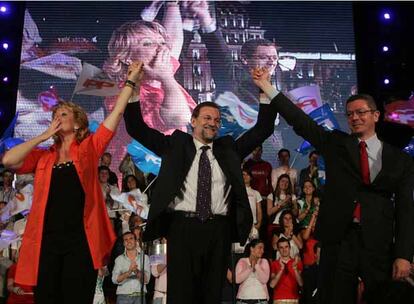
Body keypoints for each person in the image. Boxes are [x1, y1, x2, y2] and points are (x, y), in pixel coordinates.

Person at [252, 67, 414, 304]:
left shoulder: (399, 159)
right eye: (350, 114)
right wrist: (267, 87)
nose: (355, 118)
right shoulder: (336, 144)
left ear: (376, 115)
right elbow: (301, 121)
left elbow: (406, 210)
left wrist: (403, 255)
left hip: (378, 242)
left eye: (361, 112)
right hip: (338, 241)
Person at [123, 77, 279, 304]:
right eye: (207, 118)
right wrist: (134, 90)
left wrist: (264, 91)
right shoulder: (175, 145)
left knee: (211, 295)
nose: (212, 123)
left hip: (218, 230)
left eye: (216, 120)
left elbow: (263, 128)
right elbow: (137, 128)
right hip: (181, 228)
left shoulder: (229, 150)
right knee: (182, 294)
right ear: (193, 120)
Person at [2, 62, 145, 303]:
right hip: (47, 241)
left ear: (78, 124)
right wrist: (44, 136)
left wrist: (130, 82)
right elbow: (8, 159)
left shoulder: (89, 148)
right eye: (55, 115)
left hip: (81, 242)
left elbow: (116, 114)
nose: (57, 118)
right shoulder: (43, 155)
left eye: (63, 115)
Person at [112, 231, 150, 304]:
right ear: (123, 243)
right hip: (123, 297)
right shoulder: (119, 259)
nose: (128, 241)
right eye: (126, 240)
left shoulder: (144, 258)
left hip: (139, 296)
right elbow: (114, 279)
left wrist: (136, 271)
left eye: (131, 238)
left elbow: (146, 280)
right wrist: (129, 272)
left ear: (136, 241)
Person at [234, 239, 269, 304]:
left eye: (263, 248)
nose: (262, 251)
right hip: (243, 300)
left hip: (260, 300)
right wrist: (250, 268)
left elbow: (264, 280)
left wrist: (256, 266)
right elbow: (237, 280)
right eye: (260, 248)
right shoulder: (242, 261)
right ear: (252, 249)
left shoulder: (264, 261)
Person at [269, 238, 303, 304]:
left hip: (294, 299)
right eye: (281, 248)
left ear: (290, 248)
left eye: (286, 247)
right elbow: (272, 285)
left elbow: (301, 283)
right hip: (278, 299)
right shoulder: (274, 264)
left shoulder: (297, 263)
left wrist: (295, 269)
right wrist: (281, 269)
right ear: (278, 250)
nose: (284, 250)